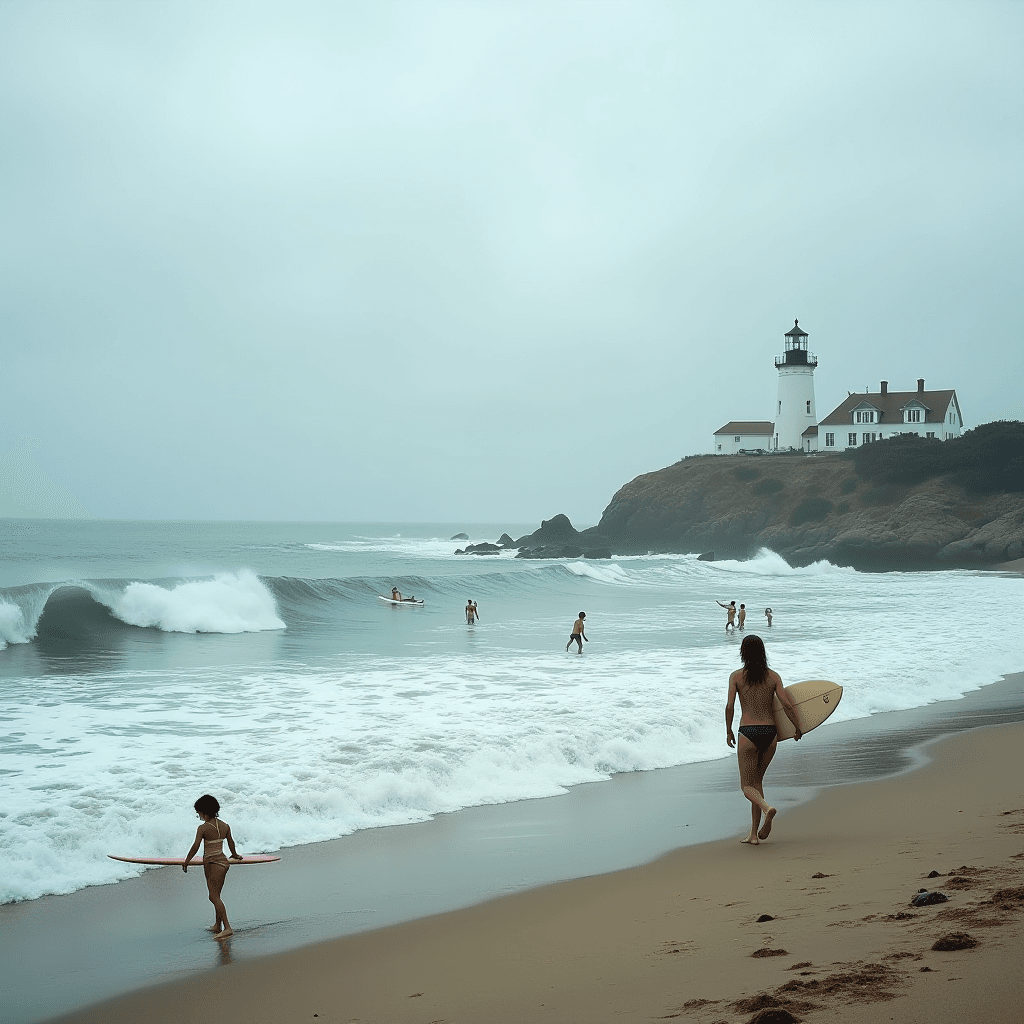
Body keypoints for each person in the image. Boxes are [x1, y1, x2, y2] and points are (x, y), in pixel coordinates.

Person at [725, 635, 802, 845]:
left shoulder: (736, 677)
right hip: (770, 734)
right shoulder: (773, 676)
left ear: (743, 652)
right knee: (757, 784)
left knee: (746, 787)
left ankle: (767, 808)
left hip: (748, 733)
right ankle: (753, 834)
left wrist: (728, 730)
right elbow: (786, 704)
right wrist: (797, 727)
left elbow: (730, 706)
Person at [183, 794, 243, 938]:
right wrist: (235, 855)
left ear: (204, 812)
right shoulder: (225, 826)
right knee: (217, 895)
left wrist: (187, 861)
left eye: (199, 814)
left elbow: (196, 846)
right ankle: (218, 925)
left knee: (213, 896)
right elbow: (231, 843)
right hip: (223, 862)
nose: (199, 817)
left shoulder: (203, 828)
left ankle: (227, 927)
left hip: (212, 863)